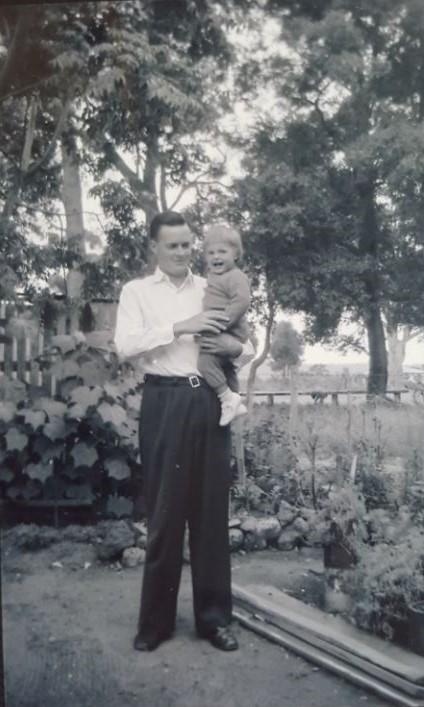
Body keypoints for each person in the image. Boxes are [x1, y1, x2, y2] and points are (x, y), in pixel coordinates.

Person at [114, 211, 242, 653]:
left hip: (208, 398)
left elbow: (239, 341)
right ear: (155, 247)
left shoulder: (213, 287)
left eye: (188, 244)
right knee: (165, 515)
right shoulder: (137, 292)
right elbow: (126, 345)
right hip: (164, 401)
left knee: (210, 514)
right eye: (173, 245)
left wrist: (233, 347)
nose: (183, 252)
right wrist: (180, 327)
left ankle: (214, 620)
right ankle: (155, 624)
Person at [198, 224, 251, 426]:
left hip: (228, 330)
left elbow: (242, 301)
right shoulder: (214, 277)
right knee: (226, 367)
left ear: (236, 254)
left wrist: (222, 323)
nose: (216, 256)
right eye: (211, 252)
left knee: (204, 362)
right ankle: (235, 398)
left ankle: (227, 398)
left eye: (222, 251)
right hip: (223, 329)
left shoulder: (235, 276)